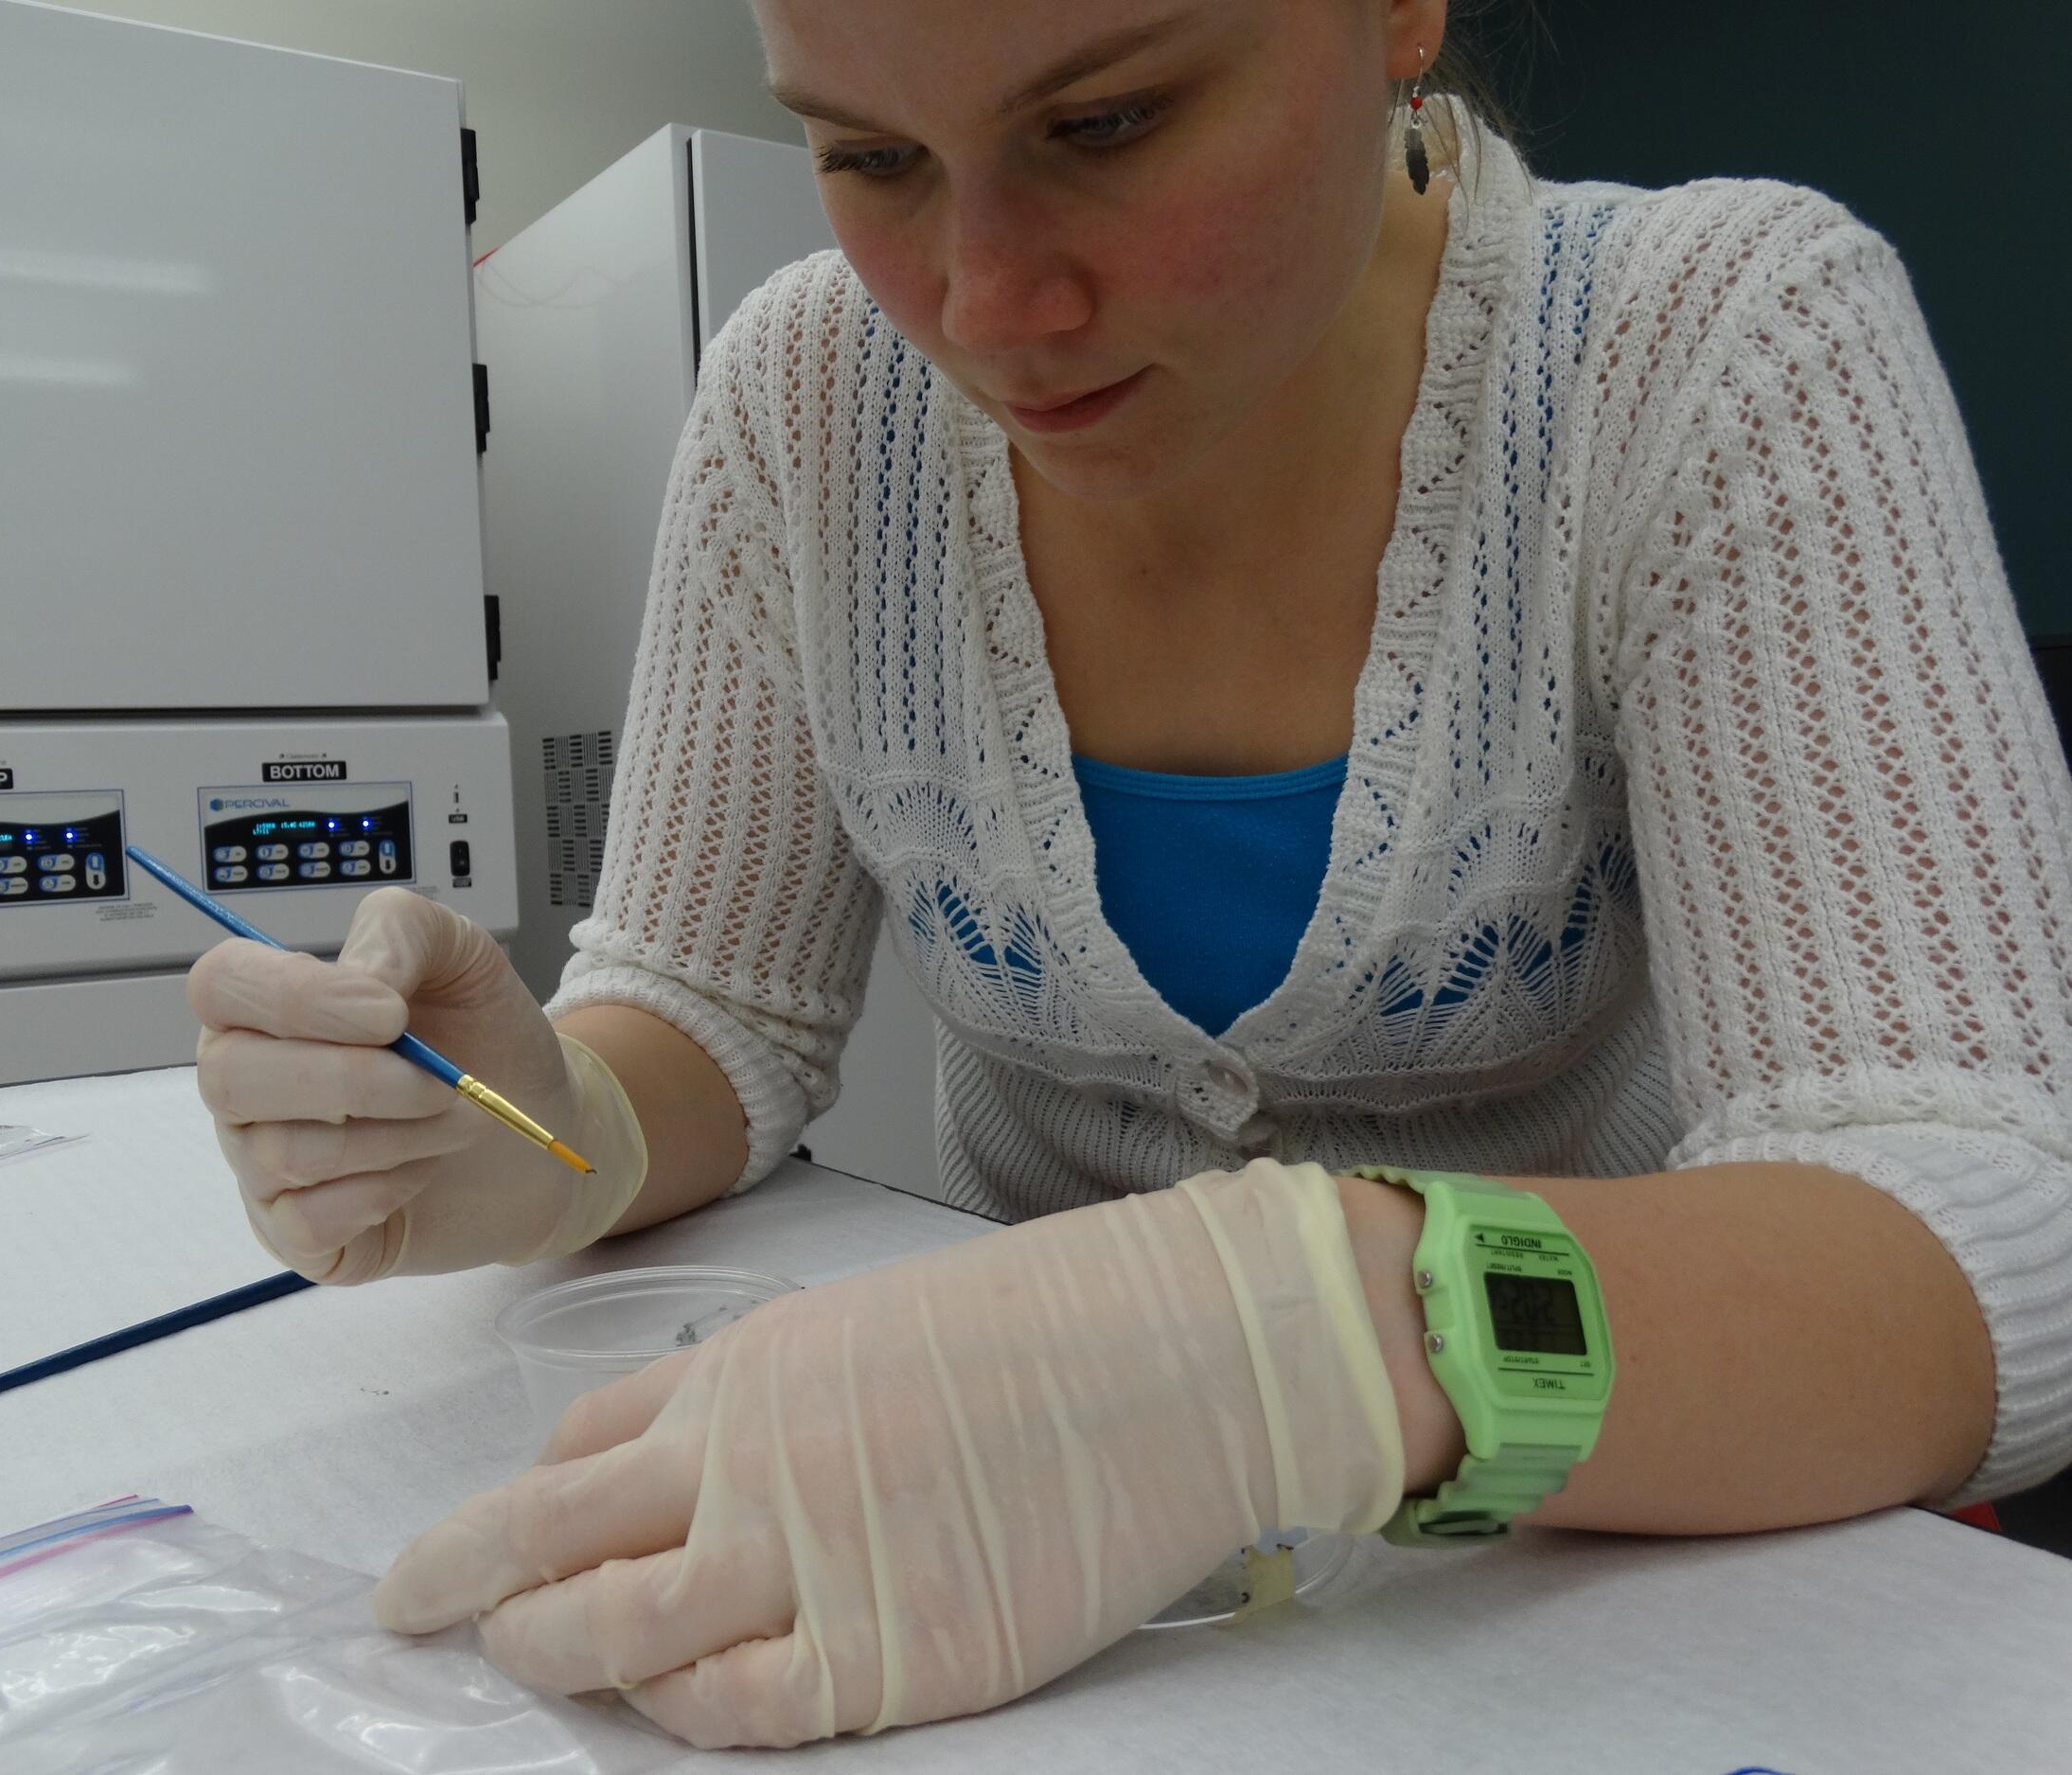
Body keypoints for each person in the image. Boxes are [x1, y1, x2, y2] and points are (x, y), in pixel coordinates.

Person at [186, 0, 2072, 1748]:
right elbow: (711, 1008)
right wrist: (551, 1122)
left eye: (1108, 119)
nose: (986, 303)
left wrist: (1315, 1329)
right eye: (868, 158)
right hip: (1043, 1613)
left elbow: (1979, 1211)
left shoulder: (1707, 341)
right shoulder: (801, 411)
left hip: (1603, 1588)